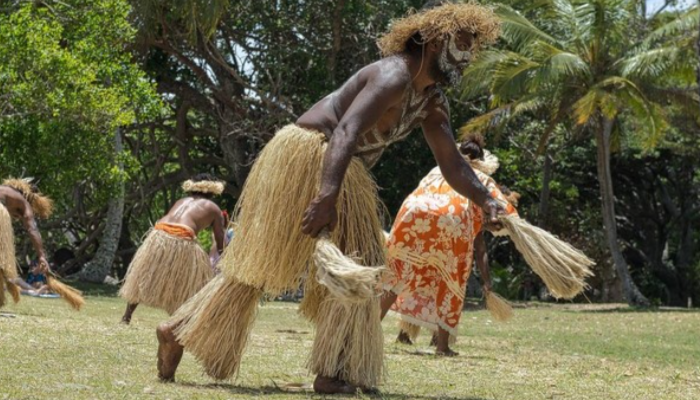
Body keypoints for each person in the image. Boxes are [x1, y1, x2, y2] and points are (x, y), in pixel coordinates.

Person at [156, 2, 503, 394]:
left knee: (350, 267)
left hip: (340, 168)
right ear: (435, 39)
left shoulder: (431, 101)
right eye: (461, 44)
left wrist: (485, 200)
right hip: (310, 155)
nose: (466, 57)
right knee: (279, 264)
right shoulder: (393, 74)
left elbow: (452, 163)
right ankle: (327, 370)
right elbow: (346, 132)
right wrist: (326, 196)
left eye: (472, 49)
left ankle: (183, 330)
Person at [381, 135, 519, 356]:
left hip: (413, 213)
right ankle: (442, 346)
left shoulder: (439, 168)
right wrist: (505, 224)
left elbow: (419, 191)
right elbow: (503, 211)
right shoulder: (479, 178)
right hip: (453, 221)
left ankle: (369, 330)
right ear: (481, 160)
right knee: (451, 282)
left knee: (395, 276)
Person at [118, 174, 225, 324]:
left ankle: (126, 316)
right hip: (181, 239)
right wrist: (225, 260)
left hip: (157, 235)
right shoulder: (214, 209)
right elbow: (221, 241)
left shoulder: (181, 201)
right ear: (213, 192)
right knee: (187, 280)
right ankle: (180, 319)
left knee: (144, 274)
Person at [0, 178, 52, 306]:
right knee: (4, 262)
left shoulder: (5, 191)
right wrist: (41, 256)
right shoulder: (23, 201)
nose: (17, 216)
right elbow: (32, 228)